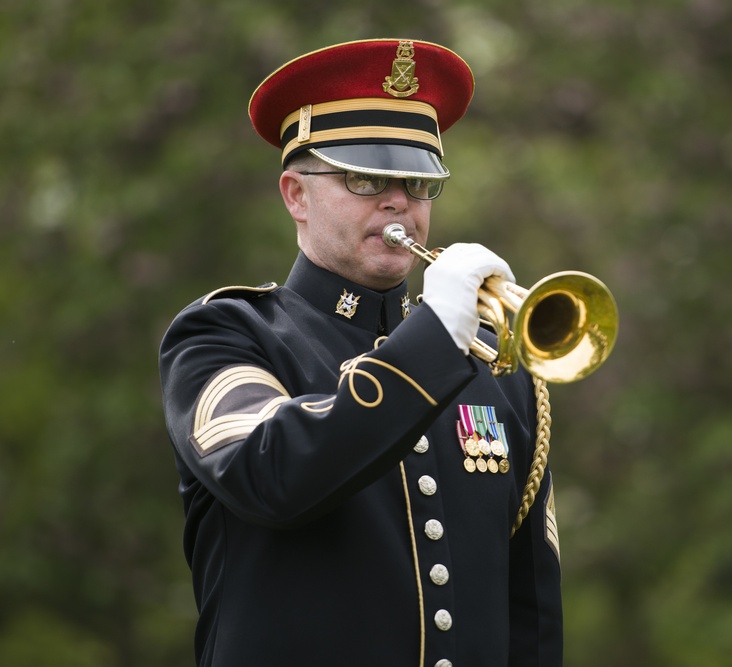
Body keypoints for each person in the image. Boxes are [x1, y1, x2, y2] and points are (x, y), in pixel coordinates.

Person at [159, 38, 563, 667]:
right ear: (296, 194)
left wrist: (443, 336)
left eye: (418, 181)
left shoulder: (502, 374)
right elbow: (271, 474)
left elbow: (530, 615)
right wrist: (433, 337)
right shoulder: (225, 335)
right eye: (367, 177)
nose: (398, 200)